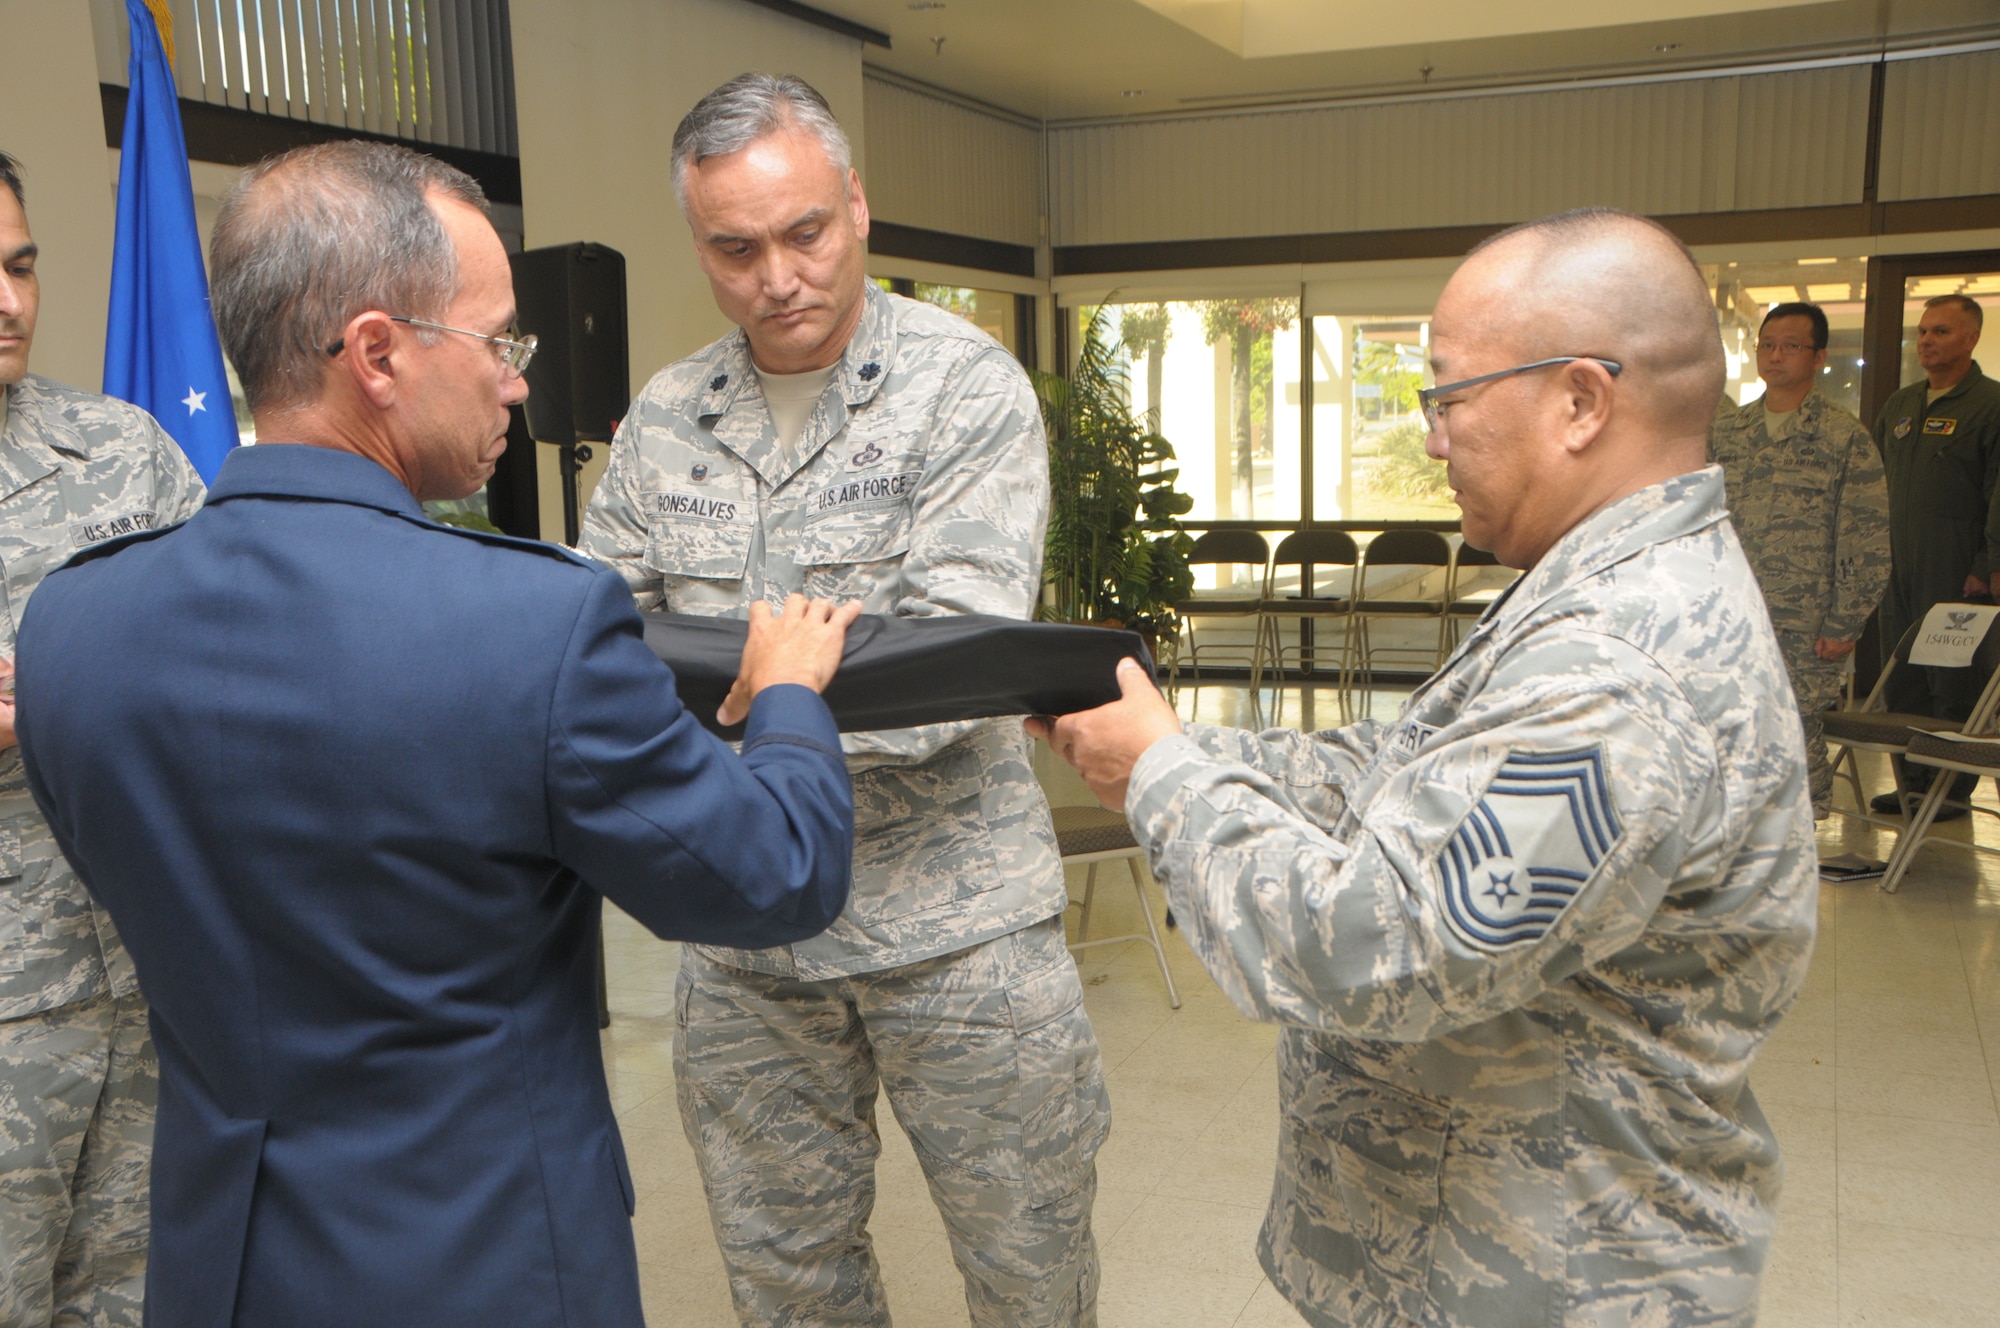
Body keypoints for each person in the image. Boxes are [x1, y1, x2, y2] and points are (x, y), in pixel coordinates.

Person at [14, 140, 860, 1328]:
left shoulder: (72, 622)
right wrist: (785, 693)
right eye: (497, 341)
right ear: (376, 352)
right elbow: (776, 874)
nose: (519, 381)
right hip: (484, 1260)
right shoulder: (533, 623)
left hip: (221, 1260)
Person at [1034, 208, 1816, 1328]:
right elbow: (1405, 769)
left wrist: (1161, 778)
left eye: (1447, 396)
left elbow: (1375, 947)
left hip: (1545, 1279)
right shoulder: (1596, 587)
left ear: (1581, 400)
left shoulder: (1616, 673)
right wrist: (1170, 743)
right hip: (1474, 1258)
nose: (1434, 436)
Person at [582, 74, 1108, 1327]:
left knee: (1028, 1277)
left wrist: (741, 695)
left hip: (956, 929)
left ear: (857, 205)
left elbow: (952, 665)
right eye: (735, 247)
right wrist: (791, 683)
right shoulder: (665, 417)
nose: (778, 276)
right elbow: (596, 649)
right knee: (786, 1285)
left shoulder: (962, 388)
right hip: (746, 931)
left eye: (804, 231)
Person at [0, 149, 204, 1328]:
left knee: (147, 1298)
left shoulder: (121, 450)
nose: (10, 302)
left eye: (22, 266)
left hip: (147, 982)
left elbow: (235, 643)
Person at [1709, 301, 1888, 819]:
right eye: (1767, 345)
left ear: (1819, 357)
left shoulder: (1842, 438)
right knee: (1727, 728)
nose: (1775, 355)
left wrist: (1846, 620)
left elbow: (1867, 539)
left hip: (1804, 623)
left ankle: (1796, 850)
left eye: (1791, 346)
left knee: (1793, 729)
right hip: (1731, 619)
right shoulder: (1727, 433)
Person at [1870, 293, 2000, 814]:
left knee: (1951, 676)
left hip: (1955, 565)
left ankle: (1949, 789)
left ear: (1971, 338)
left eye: (1942, 331)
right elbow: (1873, 481)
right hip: (1896, 561)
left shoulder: (1990, 405)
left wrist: (1987, 564)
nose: (1927, 341)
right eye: (1923, 331)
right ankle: (1911, 784)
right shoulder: (1900, 406)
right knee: (1901, 674)